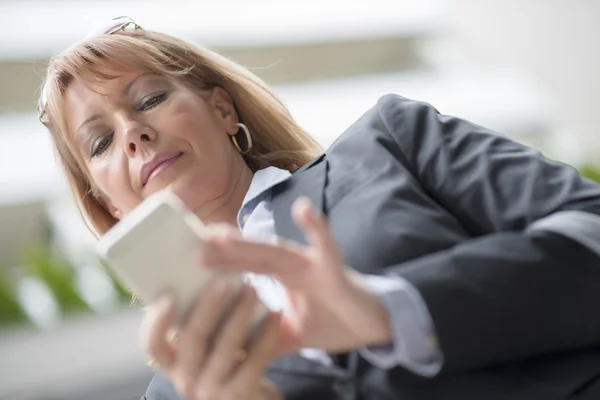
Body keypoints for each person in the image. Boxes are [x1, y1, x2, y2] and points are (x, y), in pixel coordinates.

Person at [38, 16, 600, 400]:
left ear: (222, 109)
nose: (132, 132)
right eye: (100, 143)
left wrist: (393, 311)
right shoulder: (179, 389)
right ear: (107, 201)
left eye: (150, 99)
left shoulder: (391, 141)